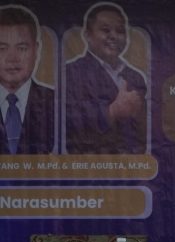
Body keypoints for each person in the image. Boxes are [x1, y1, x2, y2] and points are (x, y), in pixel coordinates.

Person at [65, 2, 147, 154]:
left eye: (120, 31)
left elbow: (144, 133)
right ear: (87, 35)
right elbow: (70, 126)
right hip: (91, 164)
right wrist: (112, 111)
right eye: (105, 30)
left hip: (132, 165)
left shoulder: (136, 77)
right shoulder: (70, 73)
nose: (113, 36)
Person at [0, 6, 54, 154]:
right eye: (2, 48)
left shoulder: (58, 104)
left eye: (22, 48)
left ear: (36, 50)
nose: (12, 59)